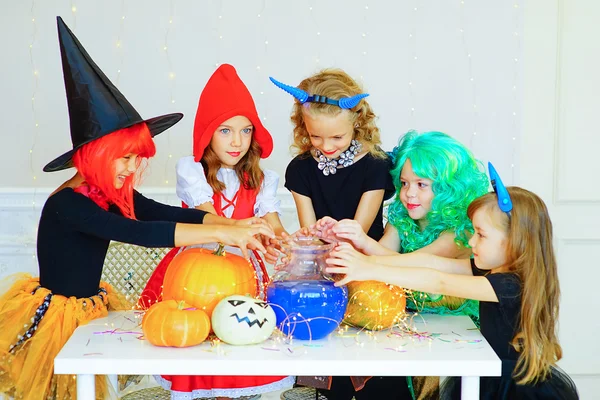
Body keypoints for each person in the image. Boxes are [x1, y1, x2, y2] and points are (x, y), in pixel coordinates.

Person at [0, 18, 272, 400]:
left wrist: (224, 222)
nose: (131, 168)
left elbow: (160, 213)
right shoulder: (68, 205)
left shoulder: (107, 193)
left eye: (135, 158)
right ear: (94, 157)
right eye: (124, 158)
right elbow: (141, 233)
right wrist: (222, 233)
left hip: (89, 307)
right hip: (58, 319)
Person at [325, 163, 579, 400]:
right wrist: (366, 258)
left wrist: (368, 268)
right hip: (490, 371)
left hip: (511, 386)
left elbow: (439, 282)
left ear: (515, 240)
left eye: (480, 235)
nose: (471, 243)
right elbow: (431, 263)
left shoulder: (508, 285)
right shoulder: (493, 272)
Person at [144, 64, 294, 399]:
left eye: (245, 131)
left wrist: (286, 242)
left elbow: (273, 223)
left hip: (243, 273)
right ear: (207, 133)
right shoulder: (192, 171)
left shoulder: (263, 179)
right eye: (225, 130)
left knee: (236, 344)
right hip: (193, 273)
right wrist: (244, 228)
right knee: (196, 345)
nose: (237, 141)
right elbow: (210, 220)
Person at [270, 69, 400, 399]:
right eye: (316, 137)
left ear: (357, 123)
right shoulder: (299, 170)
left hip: (368, 267)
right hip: (322, 272)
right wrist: (315, 234)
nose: (326, 146)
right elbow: (309, 234)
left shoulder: (375, 164)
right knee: (330, 367)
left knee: (376, 372)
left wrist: (337, 235)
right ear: (304, 128)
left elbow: (360, 230)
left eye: (337, 138)